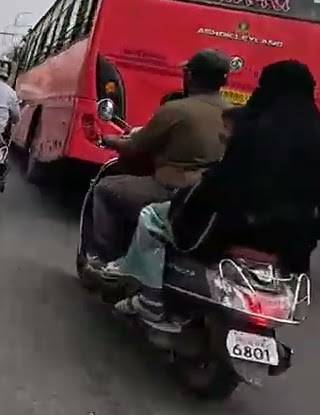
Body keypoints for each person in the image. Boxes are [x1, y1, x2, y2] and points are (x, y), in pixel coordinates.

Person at [109, 60, 320, 324]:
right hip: (296, 241)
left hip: (239, 227)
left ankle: (150, 301)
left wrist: (187, 201)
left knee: (153, 217)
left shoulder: (255, 128)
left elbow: (225, 182)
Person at [86, 49, 233, 269]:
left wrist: (110, 140)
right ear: (224, 80)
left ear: (190, 76)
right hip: (213, 196)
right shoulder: (236, 114)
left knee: (105, 190)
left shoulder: (175, 110)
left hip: (173, 189)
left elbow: (136, 147)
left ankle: (106, 260)